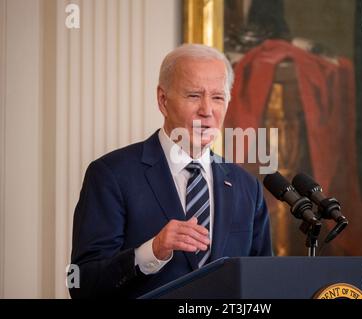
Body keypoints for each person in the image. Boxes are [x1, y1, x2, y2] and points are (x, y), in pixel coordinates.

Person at [69, 44, 273, 299]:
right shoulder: (111, 175)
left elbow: (263, 282)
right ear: (163, 101)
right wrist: (152, 251)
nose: (207, 110)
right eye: (194, 96)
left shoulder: (247, 187)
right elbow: (82, 284)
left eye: (218, 97)